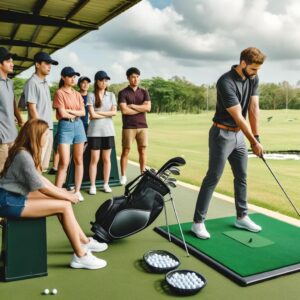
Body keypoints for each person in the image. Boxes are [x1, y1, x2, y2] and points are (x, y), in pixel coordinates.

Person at [0, 119, 107, 269]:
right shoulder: (23, 156)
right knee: (63, 205)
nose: (47, 137)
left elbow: (41, 180)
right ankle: (80, 256)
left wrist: (60, 191)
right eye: (45, 134)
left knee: (63, 202)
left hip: (14, 195)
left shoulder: (24, 151)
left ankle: (84, 242)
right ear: (36, 136)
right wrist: (66, 196)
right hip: (8, 200)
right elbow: (42, 188)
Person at [192, 47, 266, 239]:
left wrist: (256, 137)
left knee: (242, 176)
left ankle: (242, 217)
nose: (256, 73)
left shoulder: (253, 78)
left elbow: (253, 108)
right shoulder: (225, 82)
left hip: (238, 137)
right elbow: (239, 117)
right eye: (253, 69)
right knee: (213, 177)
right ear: (243, 64)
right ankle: (198, 223)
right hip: (221, 134)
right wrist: (254, 143)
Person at [53, 67, 86, 201]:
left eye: (74, 77)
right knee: (64, 162)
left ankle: (77, 191)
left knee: (78, 160)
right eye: (70, 76)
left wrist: (69, 110)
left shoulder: (77, 94)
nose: (73, 79)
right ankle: (56, 193)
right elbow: (62, 114)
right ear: (63, 77)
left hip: (78, 126)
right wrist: (73, 111)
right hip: (65, 126)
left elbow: (83, 113)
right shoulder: (59, 93)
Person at [23, 52, 58, 172]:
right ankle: (32, 191)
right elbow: (32, 108)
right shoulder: (32, 82)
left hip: (49, 129)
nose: (50, 66)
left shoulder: (45, 83)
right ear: (37, 64)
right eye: (47, 63)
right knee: (35, 165)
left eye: (51, 64)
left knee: (42, 166)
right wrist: (41, 129)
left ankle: (38, 190)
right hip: (40, 130)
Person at [118, 67, 151, 185]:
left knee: (142, 150)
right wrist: (140, 108)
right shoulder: (123, 93)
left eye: (137, 77)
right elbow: (124, 111)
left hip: (143, 126)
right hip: (128, 127)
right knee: (126, 151)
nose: (136, 79)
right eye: (133, 77)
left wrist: (132, 106)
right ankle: (123, 176)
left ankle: (142, 174)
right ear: (128, 78)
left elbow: (148, 108)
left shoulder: (144, 92)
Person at [87, 71, 117, 194]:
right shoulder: (91, 95)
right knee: (94, 159)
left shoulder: (111, 95)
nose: (104, 83)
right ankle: (93, 185)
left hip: (108, 132)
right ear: (97, 81)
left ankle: (105, 184)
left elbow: (114, 113)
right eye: (102, 80)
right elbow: (91, 115)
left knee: (106, 159)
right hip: (94, 132)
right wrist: (106, 113)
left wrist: (98, 113)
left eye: (106, 80)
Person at [0, 47, 24, 172]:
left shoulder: (10, 82)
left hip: (13, 137)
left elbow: (13, 104)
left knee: (11, 174)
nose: (12, 64)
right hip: (2, 139)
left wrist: (20, 120)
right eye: (8, 61)